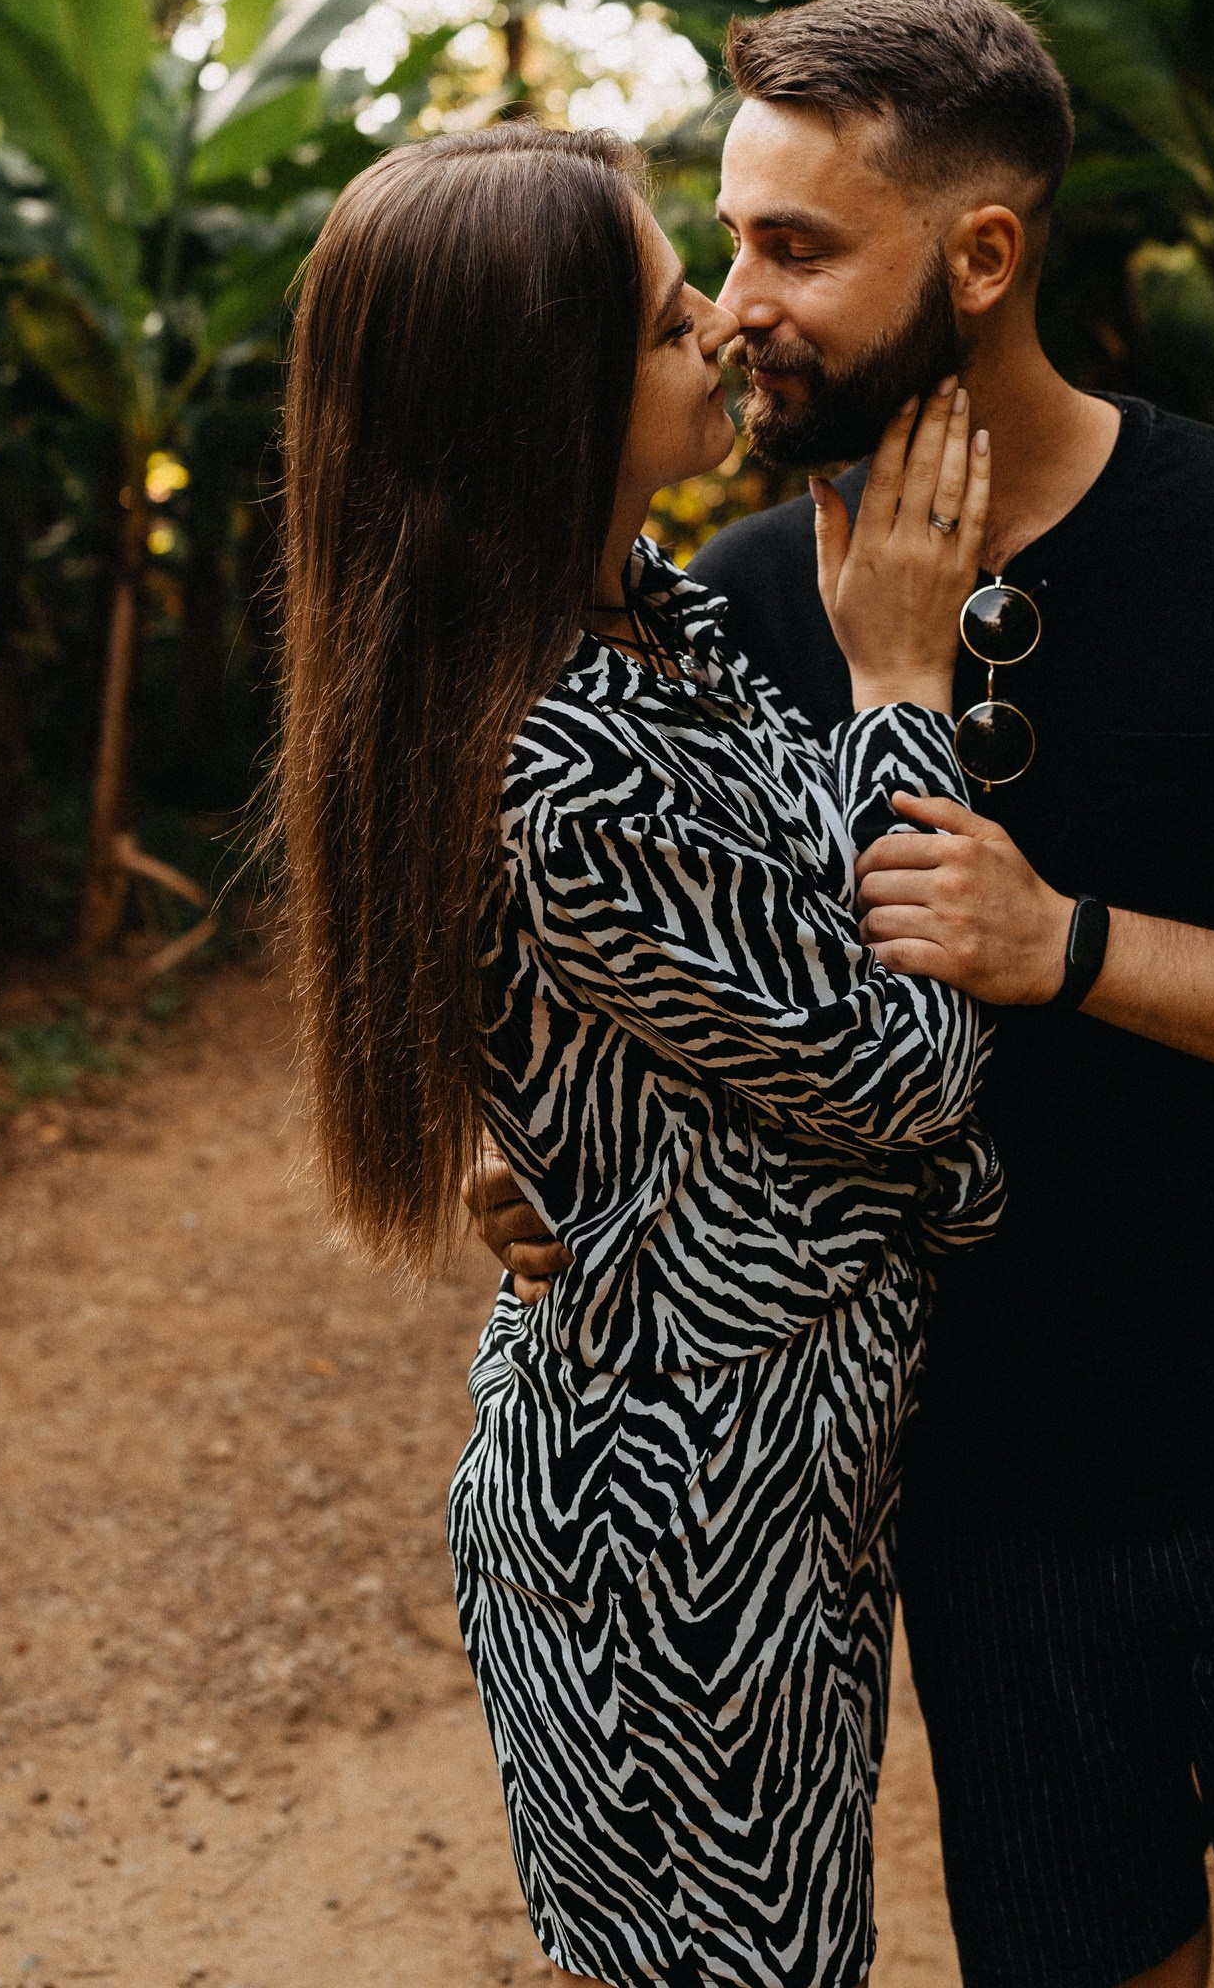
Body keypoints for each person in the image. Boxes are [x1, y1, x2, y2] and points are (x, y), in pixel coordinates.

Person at [476, 0, 1214, 1988]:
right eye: (725, 242)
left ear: (980, 255)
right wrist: (568, 1164)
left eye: (796, 247)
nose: (735, 301)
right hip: (984, 1505)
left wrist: (1070, 951)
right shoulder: (727, 617)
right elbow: (702, 1001)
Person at [272, 119, 1009, 1988]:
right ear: (540, 398)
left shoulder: (653, 630)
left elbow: (715, 1007)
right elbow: (900, 1065)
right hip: (670, 1517)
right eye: (671, 315)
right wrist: (904, 688)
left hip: (762, 1473)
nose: (723, 333)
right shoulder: (561, 761)